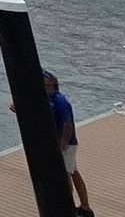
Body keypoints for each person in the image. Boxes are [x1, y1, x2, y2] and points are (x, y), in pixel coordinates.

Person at [45, 69, 91, 217]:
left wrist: (64, 142)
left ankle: (67, 207)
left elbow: (68, 123)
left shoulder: (60, 100)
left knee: (66, 174)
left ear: (51, 83)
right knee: (72, 172)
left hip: (67, 144)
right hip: (60, 142)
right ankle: (84, 206)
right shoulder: (48, 98)